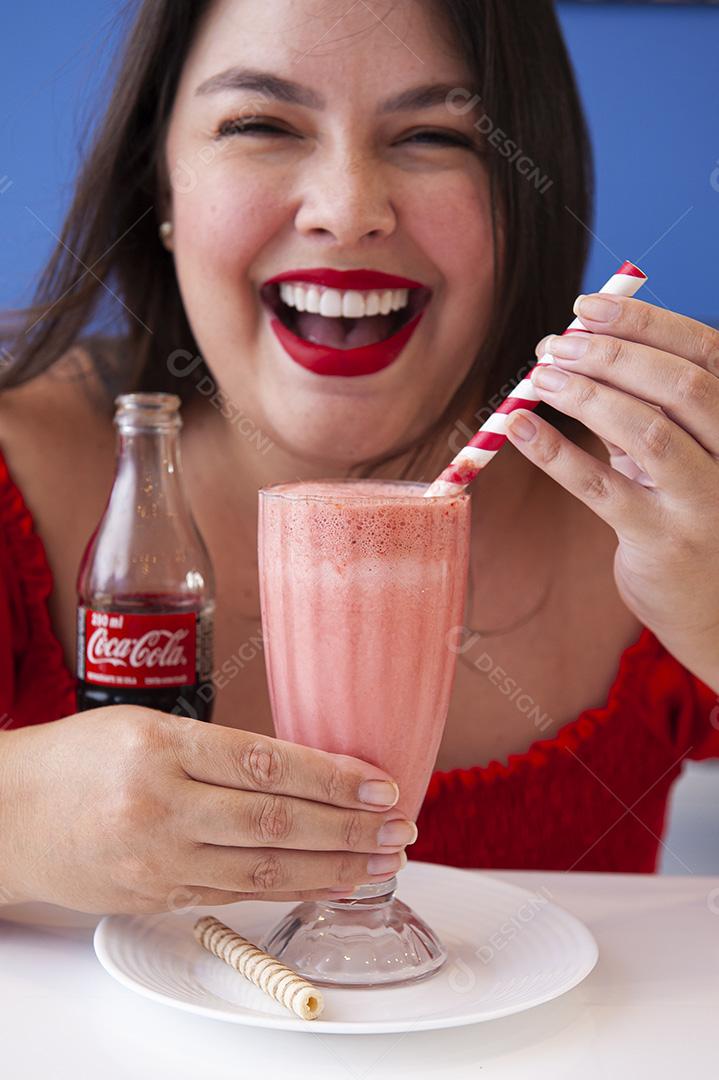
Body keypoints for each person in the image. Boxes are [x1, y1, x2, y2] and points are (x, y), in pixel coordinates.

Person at [0, 0, 717, 915]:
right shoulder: (14, 466)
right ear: (161, 187)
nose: (347, 212)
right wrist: (18, 815)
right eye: (260, 125)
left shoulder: (666, 507)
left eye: (433, 135)